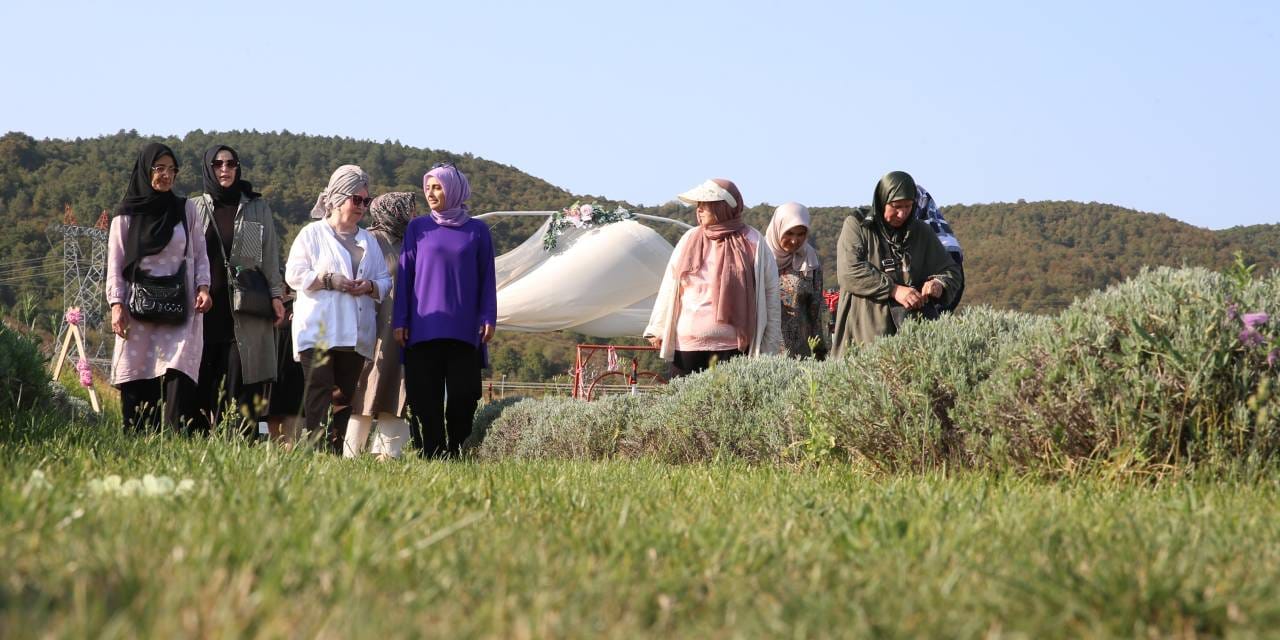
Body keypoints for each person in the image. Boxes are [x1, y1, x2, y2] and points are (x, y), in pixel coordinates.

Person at [106, 142, 213, 433]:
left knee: (178, 370)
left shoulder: (185, 209)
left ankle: (176, 438)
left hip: (179, 304)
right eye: (159, 168)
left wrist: (203, 287)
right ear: (145, 170)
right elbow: (115, 264)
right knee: (138, 369)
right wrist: (116, 305)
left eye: (171, 169)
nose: (166, 175)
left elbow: (200, 253)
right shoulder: (125, 215)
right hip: (137, 308)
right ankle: (139, 436)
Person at [285, 165, 392, 453]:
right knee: (318, 392)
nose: (362, 207)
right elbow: (294, 274)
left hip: (354, 332)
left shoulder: (368, 240)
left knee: (344, 396)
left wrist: (369, 286)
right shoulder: (312, 234)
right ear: (336, 198)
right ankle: (312, 451)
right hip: (318, 330)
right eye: (356, 199)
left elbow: (384, 280)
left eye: (366, 201)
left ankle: (335, 453)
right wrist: (329, 280)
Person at [394, 164, 496, 459]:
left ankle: (459, 448)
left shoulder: (477, 231)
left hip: (465, 328)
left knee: (464, 395)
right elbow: (405, 276)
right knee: (425, 395)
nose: (431, 193)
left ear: (453, 190)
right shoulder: (418, 228)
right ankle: (433, 451)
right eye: (427, 188)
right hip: (423, 326)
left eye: (437, 187)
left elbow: (487, 277)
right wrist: (401, 318)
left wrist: (488, 315)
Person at [643, 178, 781, 377]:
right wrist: (658, 327)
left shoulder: (753, 242)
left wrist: (771, 342)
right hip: (687, 345)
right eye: (698, 205)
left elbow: (771, 294)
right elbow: (671, 285)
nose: (699, 210)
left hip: (733, 347)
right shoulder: (689, 239)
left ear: (723, 207)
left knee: (730, 405)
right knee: (684, 406)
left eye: (706, 205)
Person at [192, 144, 286, 436]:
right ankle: (199, 437)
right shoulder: (194, 207)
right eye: (218, 164)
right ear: (208, 168)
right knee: (203, 376)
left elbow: (268, 257)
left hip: (245, 309)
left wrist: (276, 295)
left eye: (231, 163)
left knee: (242, 377)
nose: (225, 169)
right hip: (204, 309)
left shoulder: (256, 207)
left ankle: (243, 440)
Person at [831, 171, 962, 355]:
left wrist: (939, 284)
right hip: (864, 335)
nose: (902, 213)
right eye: (896, 206)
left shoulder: (921, 232)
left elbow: (951, 270)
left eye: (908, 206)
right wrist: (894, 290)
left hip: (912, 340)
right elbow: (849, 271)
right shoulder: (858, 225)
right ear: (882, 200)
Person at [343, 192, 418, 459]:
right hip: (374, 325)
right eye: (409, 209)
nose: (413, 215)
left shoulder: (414, 241)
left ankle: (387, 456)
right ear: (393, 211)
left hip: (405, 326)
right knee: (365, 387)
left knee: (398, 387)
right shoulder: (370, 239)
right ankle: (351, 454)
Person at [765, 202, 828, 359]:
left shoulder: (810, 259)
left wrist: (820, 349)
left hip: (801, 352)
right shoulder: (760, 259)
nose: (794, 241)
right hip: (766, 350)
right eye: (789, 233)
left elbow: (816, 309)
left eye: (800, 235)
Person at [913, 184, 965, 312]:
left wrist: (939, 285)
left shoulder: (946, 247)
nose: (902, 212)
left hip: (928, 311)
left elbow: (954, 287)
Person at [264, 282, 303, 445]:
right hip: (271, 368)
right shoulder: (272, 307)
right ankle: (264, 441)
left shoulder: (299, 306)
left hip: (294, 368)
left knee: (293, 408)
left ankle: (289, 446)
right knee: (267, 411)